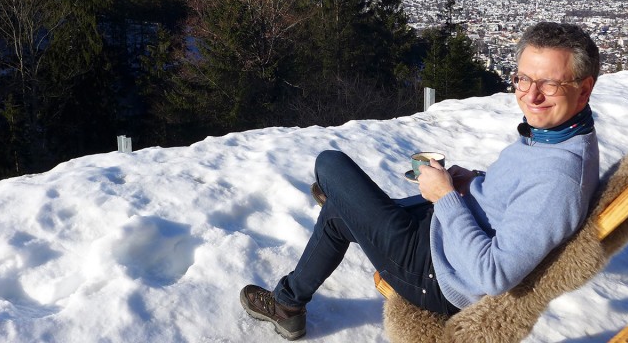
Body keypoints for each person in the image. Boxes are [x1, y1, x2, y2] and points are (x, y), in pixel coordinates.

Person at [240, 22, 601, 340]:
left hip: (435, 275)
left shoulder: (559, 178)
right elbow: (521, 202)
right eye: (523, 78)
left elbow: (493, 275)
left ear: (584, 89)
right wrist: (474, 182)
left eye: (549, 84)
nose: (531, 95)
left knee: (330, 164)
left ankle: (332, 230)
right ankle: (289, 302)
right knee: (338, 209)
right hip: (444, 237)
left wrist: (446, 197)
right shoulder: (559, 136)